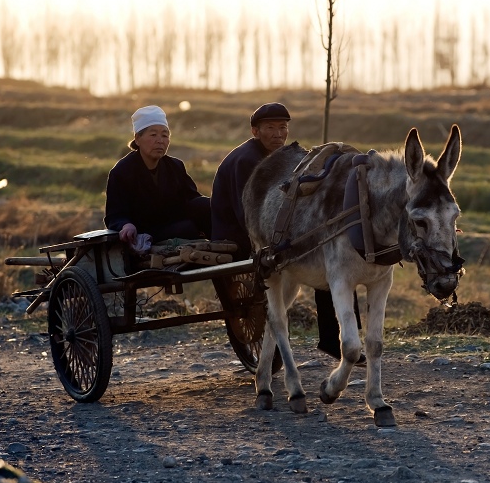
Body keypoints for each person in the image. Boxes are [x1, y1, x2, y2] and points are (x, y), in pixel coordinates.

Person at [211, 102, 362, 363]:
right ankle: (318, 340)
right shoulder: (247, 161)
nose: (278, 134)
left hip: (274, 229)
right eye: (270, 128)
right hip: (239, 233)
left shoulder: (286, 157)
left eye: (283, 128)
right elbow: (246, 212)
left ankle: (338, 339)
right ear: (255, 131)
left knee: (330, 258)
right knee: (318, 263)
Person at [104, 105, 211, 247]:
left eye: (165, 135)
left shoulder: (175, 166)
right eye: (153, 135)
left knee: (206, 205)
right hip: (146, 232)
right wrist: (126, 225)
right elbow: (115, 214)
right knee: (187, 229)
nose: (160, 140)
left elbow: (191, 198)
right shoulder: (122, 172)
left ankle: (225, 246)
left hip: (175, 223)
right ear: (137, 139)